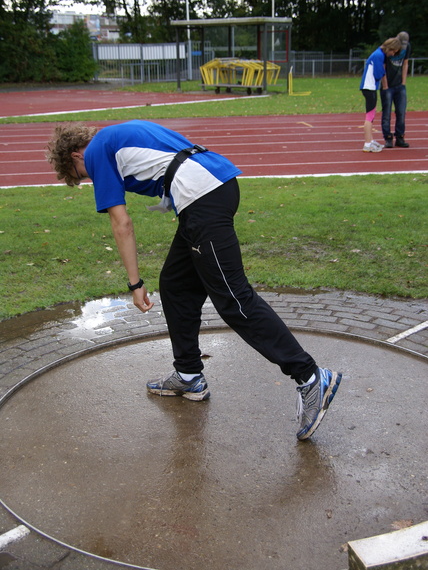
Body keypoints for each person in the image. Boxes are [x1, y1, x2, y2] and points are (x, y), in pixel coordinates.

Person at [46, 119, 342, 441]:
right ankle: (188, 373)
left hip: (203, 197)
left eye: (81, 177)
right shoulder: (117, 136)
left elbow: (122, 224)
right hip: (208, 191)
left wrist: (134, 283)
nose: (88, 177)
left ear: (76, 156)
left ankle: (310, 377)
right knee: (176, 285)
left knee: (233, 298)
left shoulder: (96, 152)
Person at [360, 37, 402, 153]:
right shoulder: (379, 55)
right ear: (390, 48)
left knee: (371, 114)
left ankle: (370, 140)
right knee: (369, 116)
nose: (392, 54)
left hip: (371, 87)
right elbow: (378, 73)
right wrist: (384, 80)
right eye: (393, 51)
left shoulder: (379, 54)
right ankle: (367, 143)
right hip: (369, 87)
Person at [380, 31, 411, 148]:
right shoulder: (389, 48)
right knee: (387, 112)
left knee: (401, 112)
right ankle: (388, 137)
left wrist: (403, 82)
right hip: (388, 85)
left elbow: (405, 63)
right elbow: (383, 66)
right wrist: (385, 85)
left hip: (399, 85)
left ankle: (400, 137)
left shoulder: (407, 47)